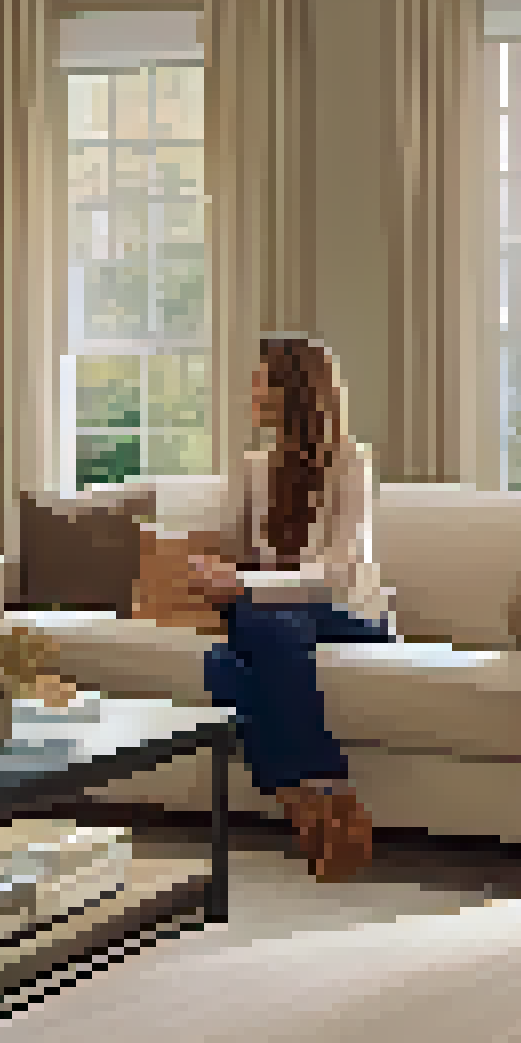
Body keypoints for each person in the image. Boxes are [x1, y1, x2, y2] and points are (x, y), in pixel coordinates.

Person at [177, 335, 389, 882]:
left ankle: (318, 787)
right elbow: (234, 551)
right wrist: (196, 566)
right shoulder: (252, 469)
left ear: (293, 390)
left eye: (261, 379)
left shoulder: (350, 465)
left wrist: (246, 583)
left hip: (349, 615)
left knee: (250, 638)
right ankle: (311, 801)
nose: (251, 390)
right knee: (228, 660)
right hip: (272, 619)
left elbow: (339, 570)